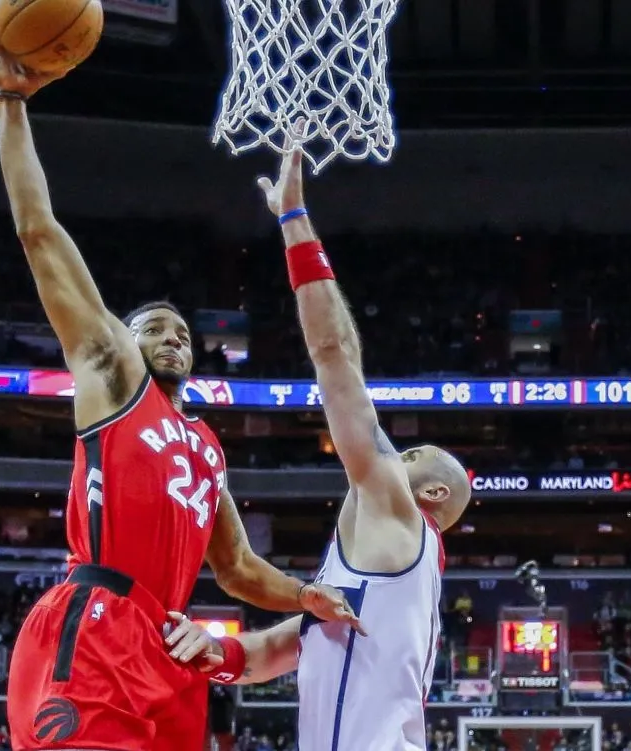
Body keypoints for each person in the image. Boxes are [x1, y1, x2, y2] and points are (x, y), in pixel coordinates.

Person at [0, 27, 360, 751]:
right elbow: (39, 231)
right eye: (155, 327)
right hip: (96, 621)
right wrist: (10, 100)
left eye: (182, 329)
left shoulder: (207, 446)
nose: (173, 335)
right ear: (125, 340)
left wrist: (305, 594)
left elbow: (239, 567)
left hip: (168, 642)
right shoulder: (112, 374)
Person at [164, 139, 473, 751]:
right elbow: (272, 653)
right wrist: (215, 651)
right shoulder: (381, 574)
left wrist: (293, 221)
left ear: (431, 492)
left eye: (406, 456)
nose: (388, 455)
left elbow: (336, 356)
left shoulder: (395, 512)